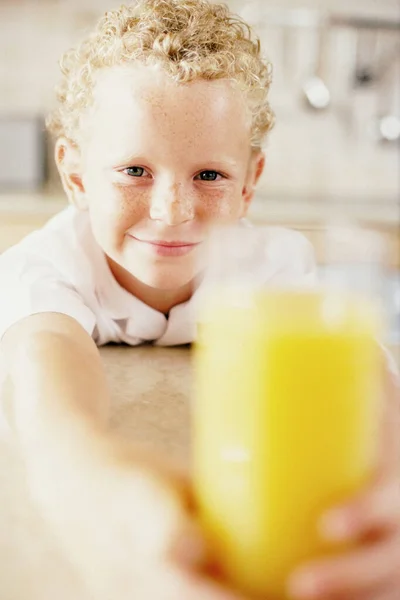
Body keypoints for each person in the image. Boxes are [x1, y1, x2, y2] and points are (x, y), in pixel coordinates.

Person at [0, 1, 399, 598]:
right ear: (77, 177)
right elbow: (47, 356)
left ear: (249, 184)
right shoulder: (51, 262)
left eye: (208, 176)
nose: (172, 211)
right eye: (135, 169)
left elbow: (353, 360)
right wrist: (83, 469)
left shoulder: (268, 263)